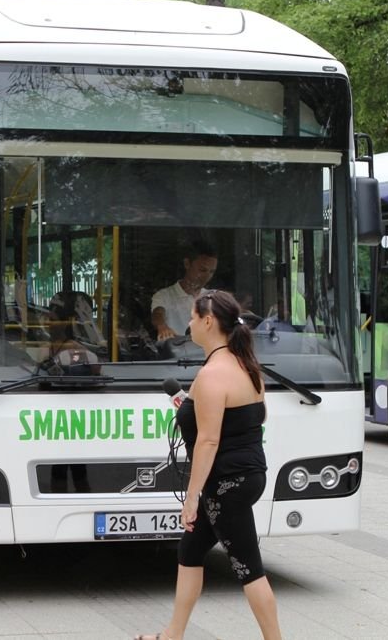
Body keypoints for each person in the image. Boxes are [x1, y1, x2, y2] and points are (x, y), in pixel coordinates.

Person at [136, 290, 281, 640]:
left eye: (190, 317)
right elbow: (243, 422)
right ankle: (173, 634)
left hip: (225, 483)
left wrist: (191, 497)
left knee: (249, 566)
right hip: (248, 474)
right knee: (190, 549)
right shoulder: (247, 366)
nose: (187, 323)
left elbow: (209, 440)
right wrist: (188, 408)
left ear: (207, 321)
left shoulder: (213, 373)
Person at [151, 241, 218, 340]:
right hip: (177, 353)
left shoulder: (213, 297)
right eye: (202, 270)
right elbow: (158, 314)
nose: (207, 276)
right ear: (187, 264)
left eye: (211, 272)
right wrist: (162, 326)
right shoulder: (164, 296)